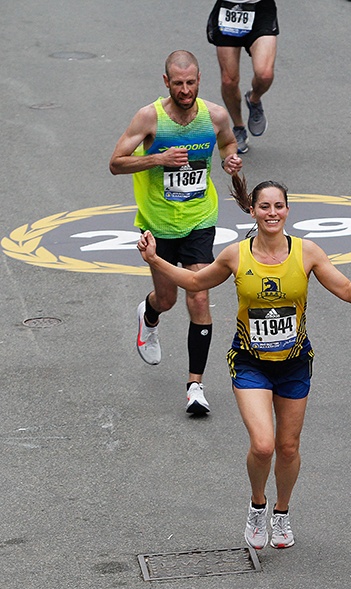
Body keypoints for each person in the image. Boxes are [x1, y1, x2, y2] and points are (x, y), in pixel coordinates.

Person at [137, 177, 351, 550]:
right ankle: (258, 505)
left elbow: (350, 294)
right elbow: (193, 279)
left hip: (294, 364)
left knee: (288, 447)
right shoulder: (237, 255)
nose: (272, 213)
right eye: (264, 207)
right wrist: (154, 259)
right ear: (252, 211)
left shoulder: (307, 253)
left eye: (278, 206)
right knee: (264, 445)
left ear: (287, 210)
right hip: (251, 362)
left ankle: (282, 513)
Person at [109, 50, 243, 415]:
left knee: (198, 295)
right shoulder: (149, 118)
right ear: (166, 82)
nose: (185, 90)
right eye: (178, 83)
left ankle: (195, 385)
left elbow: (229, 141)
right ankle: (149, 314)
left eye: (191, 82)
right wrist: (157, 159)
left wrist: (231, 158)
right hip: (158, 223)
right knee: (167, 299)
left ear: (200, 80)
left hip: (199, 218)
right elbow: (116, 164)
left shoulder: (214, 115)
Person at [207, 0, 280, 154]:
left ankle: (254, 99)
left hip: (261, 9)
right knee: (228, 81)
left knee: (265, 75)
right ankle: (239, 127)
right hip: (228, 10)